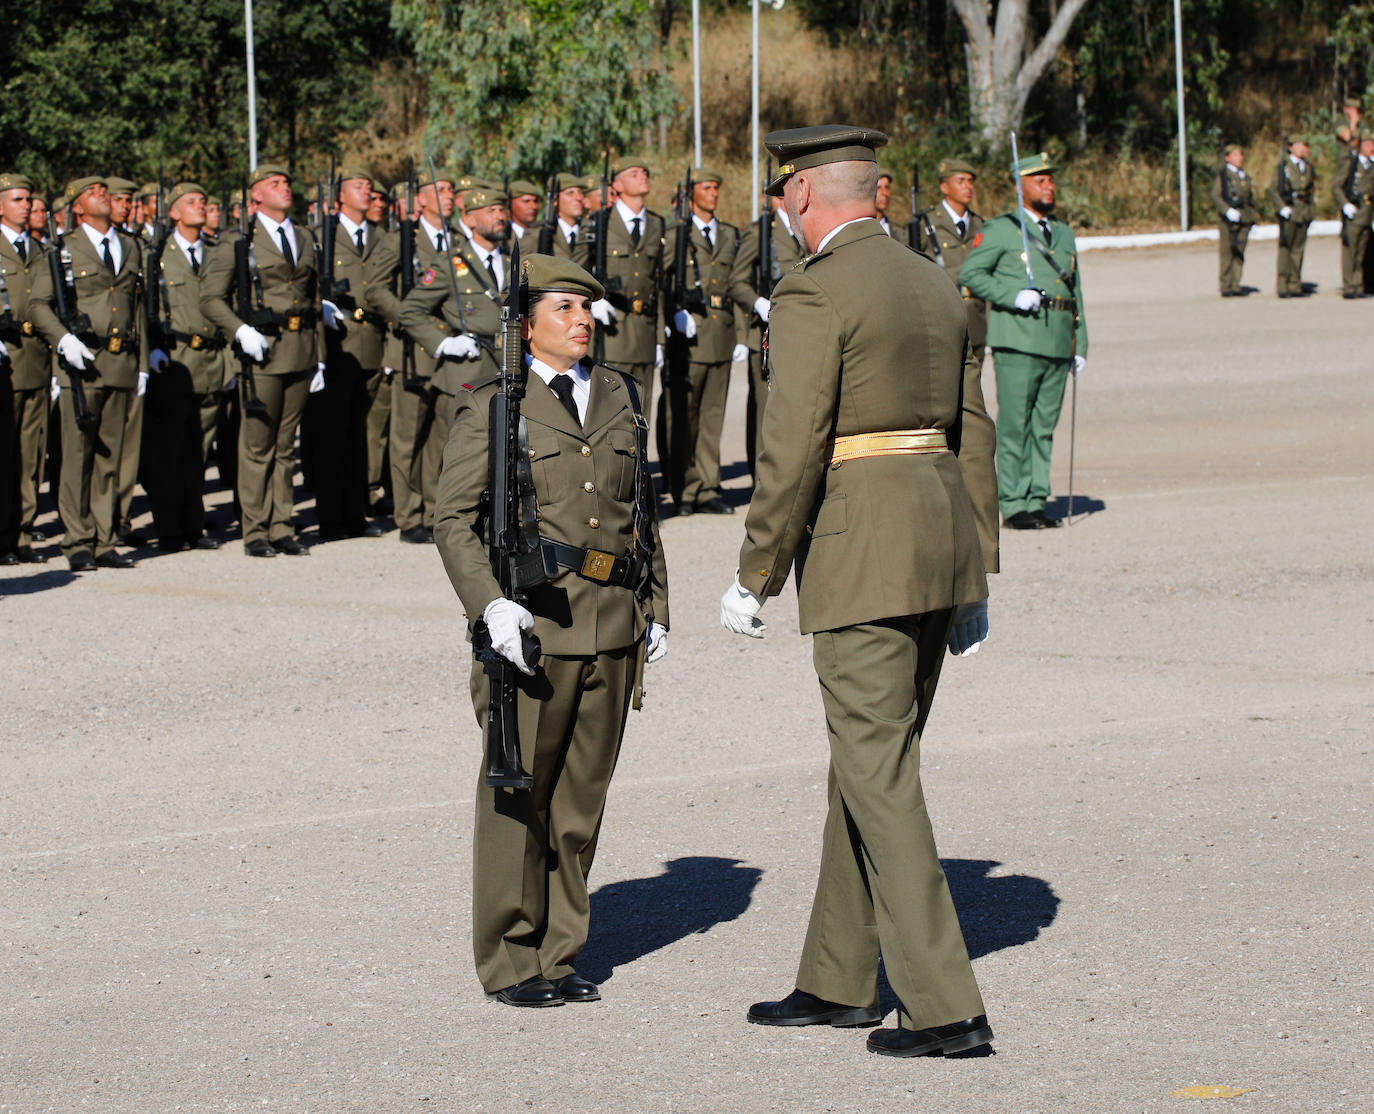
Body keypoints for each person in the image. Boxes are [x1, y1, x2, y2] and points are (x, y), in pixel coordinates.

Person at [718, 124, 998, 1058]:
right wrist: (979, 562)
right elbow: (973, 428)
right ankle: (838, 979)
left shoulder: (813, 289)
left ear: (802, 195)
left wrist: (756, 570)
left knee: (879, 772)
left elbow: (790, 444)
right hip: (937, 545)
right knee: (867, 760)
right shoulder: (931, 278)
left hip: (861, 557)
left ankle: (944, 1006)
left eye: (779, 198)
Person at [434, 253, 668, 1008]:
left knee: (578, 805)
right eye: (563, 308)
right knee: (518, 802)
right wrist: (487, 604)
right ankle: (509, 958)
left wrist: (655, 607)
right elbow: (453, 520)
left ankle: (561, 953)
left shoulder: (621, 394)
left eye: (585, 308)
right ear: (526, 324)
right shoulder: (494, 405)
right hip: (533, 630)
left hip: (611, 629)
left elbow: (642, 514)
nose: (579, 321)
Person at [28, 175, 154, 570]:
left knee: (110, 455)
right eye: (93, 193)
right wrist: (62, 340)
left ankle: (104, 538)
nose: (102, 195)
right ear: (77, 208)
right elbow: (38, 305)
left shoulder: (130, 246)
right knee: (78, 455)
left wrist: (144, 364)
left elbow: (138, 309)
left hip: (121, 360)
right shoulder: (64, 250)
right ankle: (77, 539)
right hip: (81, 361)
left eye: (105, 190)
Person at [200, 163, 325, 557]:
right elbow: (210, 299)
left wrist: (319, 356)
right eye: (275, 183)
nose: (285, 188)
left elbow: (314, 297)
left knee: (286, 445)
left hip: (300, 349)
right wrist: (239, 331)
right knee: (257, 445)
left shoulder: (303, 235)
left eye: (287, 182)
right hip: (263, 352)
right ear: (255, 196)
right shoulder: (239, 241)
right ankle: (255, 529)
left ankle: (282, 525)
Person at [961, 150, 1088, 530]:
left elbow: (1076, 293)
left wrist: (1080, 344)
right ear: (1020, 186)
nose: (1048, 186)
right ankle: (1014, 503)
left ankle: (1036, 497)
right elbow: (972, 273)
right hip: (1017, 339)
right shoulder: (1002, 229)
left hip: (1056, 338)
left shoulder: (1063, 232)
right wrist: (1011, 295)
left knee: (1044, 424)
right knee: (1016, 422)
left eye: (1050, 179)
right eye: (1039, 180)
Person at [140, 181, 226, 551]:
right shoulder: (157, 253)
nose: (200, 207)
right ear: (173, 212)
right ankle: (169, 527)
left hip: (209, 360)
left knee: (198, 449)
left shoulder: (215, 252)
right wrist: (152, 349)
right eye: (191, 202)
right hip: (173, 358)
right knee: (168, 449)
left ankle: (193, 523)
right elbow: (145, 305)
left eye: (203, 201)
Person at [314, 164, 387, 540]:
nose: (367, 193)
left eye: (369, 188)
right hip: (338, 345)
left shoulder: (381, 236)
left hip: (372, 343)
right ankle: (330, 515)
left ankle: (356, 512)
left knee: (362, 433)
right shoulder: (322, 235)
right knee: (333, 433)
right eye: (359, 186)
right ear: (339, 194)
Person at [663, 166, 740, 515]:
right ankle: (686, 487)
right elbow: (662, 281)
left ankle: (709, 486)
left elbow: (737, 284)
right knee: (686, 416)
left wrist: (739, 331)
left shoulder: (728, 234)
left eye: (716, 187)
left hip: (721, 333)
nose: (714, 193)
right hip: (688, 336)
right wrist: (671, 316)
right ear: (691, 193)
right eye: (707, 187)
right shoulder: (677, 234)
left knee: (713, 416)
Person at [727, 182, 801, 477]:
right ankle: (762, 482)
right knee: (764, 412)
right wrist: (758, 303)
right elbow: (737, 281)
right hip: (767, 337)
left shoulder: (807, 227)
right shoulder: (760, 231)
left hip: (800, 332)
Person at [0, 172, 50, 564]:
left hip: (35, 359)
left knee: (30, 454)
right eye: (18, 200)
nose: (27, 207)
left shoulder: (38, 249)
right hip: (6, 360)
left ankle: (22, 533)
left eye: (29, 200)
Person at [594, 158, 664, 400]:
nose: (643, 176)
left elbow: (660, 284)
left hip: (645, 331)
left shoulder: (656, 224)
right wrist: (592, 301)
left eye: (645, 172)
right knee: (613, 410)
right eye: (634, 173)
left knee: (642, 413)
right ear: (617, 184)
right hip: (613, 332)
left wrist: (659, 339)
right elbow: (578, 270)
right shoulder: (600, 222)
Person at [915, 159, 987, 354]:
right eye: (961, 180)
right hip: (943, 317)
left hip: (976, 321)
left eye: (971, 181)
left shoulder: (980, 224)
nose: (968, 186)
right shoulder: (925, 223)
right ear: (944, 187)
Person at [1270, 137, 1314, 299]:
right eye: (1300, 145)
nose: (1303, 148)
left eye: (1305, 145)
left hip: (1303, 211)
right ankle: (1283, 285)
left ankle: (1295, 284)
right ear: (1290, 147)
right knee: (1285, 249)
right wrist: (1282, 207)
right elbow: (1274, 189)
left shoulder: (1307, 167)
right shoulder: (1283, 166)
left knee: (1298, 249)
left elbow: (1310, 191)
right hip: (1289, 210)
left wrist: (1311, 212)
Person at [1211, 145, 1258, 297]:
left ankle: (1236, 284)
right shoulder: (1224, 176)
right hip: (1228, 220)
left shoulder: (1243, 175)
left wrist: (1253, 218)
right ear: (1227, 158)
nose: (1239, 158)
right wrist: (1227, 210)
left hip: (1244, 217)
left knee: (1239, 252)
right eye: (1235, 155)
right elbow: (1216, 196)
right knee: (1227, 252)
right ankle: (1226, 285)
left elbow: (1250, 199)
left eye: (1241, 155)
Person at [1334, 135, 1374, 300]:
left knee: (1361, 252)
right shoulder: (1351, 164)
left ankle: (1358, 284)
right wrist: (1345, 204)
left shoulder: (1371, 165)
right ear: (1360, 146)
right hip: (1354, 213)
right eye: (1368, 144)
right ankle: (1349, 285)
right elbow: (1336, 187)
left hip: (1368, 213)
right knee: (1350, 251)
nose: (1371, 147)